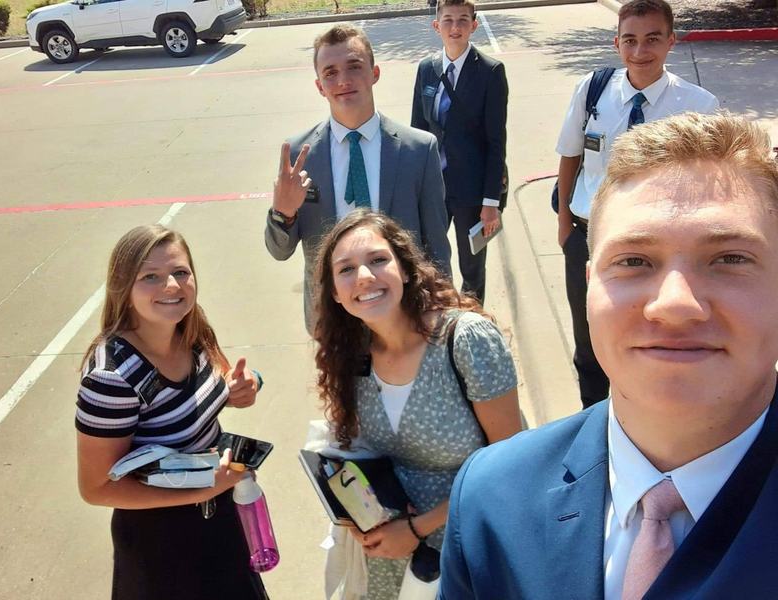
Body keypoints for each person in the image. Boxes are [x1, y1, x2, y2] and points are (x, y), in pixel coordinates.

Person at [439, 112, 778, 599]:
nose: (674, 304)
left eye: (729, 259)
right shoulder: (492, 497)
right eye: (634, 261)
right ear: (588, 286)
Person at [314, 209, 522, 599]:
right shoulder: (351, 356)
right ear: (336, 294)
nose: (364, 276)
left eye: (378, 260)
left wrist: (416, 529)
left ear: (406, 270)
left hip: (466, 551)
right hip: (389, 559)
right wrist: (355, 515)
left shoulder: (465, 340)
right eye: (346, 269)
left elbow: (512, 465)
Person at [75, 225, 269, 600]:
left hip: (221, 513)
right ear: (123, 287)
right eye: (150, 276)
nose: (171, 286)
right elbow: (96, 488)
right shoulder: (112, 377)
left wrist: (246, 385)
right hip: (162, 545)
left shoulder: (191, 329)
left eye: (181, 272)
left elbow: (216, 386)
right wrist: (206, 488)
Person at [555, 0, 719, 408]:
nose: (640, 51)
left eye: (652, 39)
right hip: (588, 237)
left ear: (671, 41)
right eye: (630, 40)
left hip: (659, 248)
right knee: (590, 339)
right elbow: (570, 155)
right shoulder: (593, 90)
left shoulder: (699, 106)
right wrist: (564, 226)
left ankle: (645, 413)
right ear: (616, 44)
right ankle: (594, 418)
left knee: (650, 338)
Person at [264, 24, 452, 334]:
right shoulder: (300, 154)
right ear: (319, 86)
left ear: (374, 73)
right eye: (330, 73)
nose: (343, 81)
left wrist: (442, 314)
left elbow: (437, 247)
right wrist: (282, 214)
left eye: (354, 66)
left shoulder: (418, 149)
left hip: (404, 317)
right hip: (334, 322)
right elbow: (279, 250)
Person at [411, 0, 508, 304]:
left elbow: (496, 142)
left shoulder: (490, 72)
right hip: (435, 189)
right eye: (448, 20)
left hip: (473, 194)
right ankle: (439, 316)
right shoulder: (427, 69)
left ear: (474, 25)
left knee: (472, 268)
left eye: (463, 20)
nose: (456, 28)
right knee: (431, 264)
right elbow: (417, 130)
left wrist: (490, 202)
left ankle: (473, 318)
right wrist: (415, 188)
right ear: (436, 26)